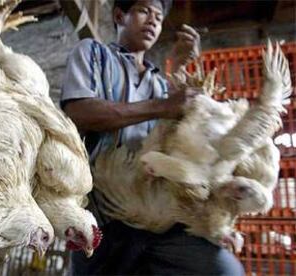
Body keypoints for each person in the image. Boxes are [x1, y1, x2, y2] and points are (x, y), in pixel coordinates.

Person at [61, 0, 245, 275]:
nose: (153, 21)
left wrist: (211, 222)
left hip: (160, 215)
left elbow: (175, 146)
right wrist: (163, 106)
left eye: (159, 17)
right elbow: (79, 111)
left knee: (224, 271)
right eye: (144, 11)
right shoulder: (94, 54)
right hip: (103, 214)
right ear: (120, 15)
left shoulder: (160, 84)